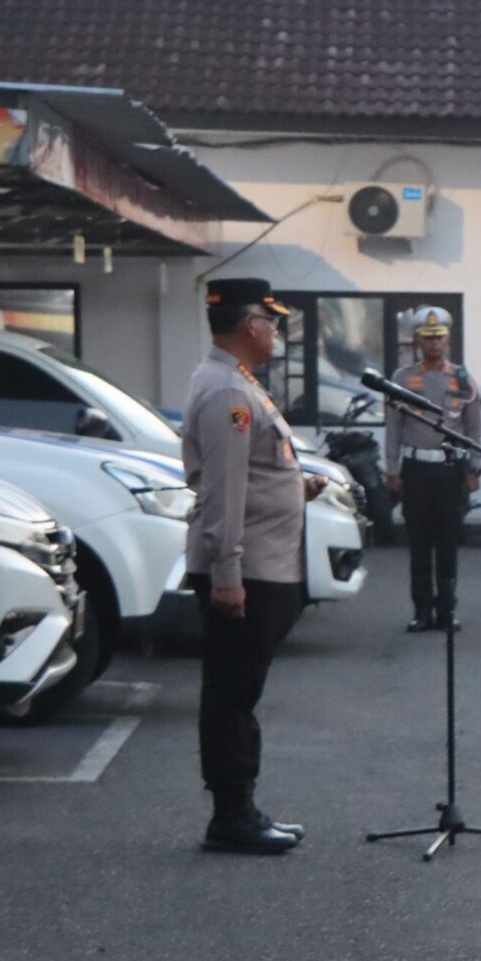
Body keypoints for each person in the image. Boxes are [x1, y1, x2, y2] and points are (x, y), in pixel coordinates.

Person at [184, 278, 321, 855]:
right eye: (272, 323)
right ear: (248, 326)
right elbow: (222, 491)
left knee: (239, 692)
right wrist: (227, 576)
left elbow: (255, 472)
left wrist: (296, 486)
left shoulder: (235, 383)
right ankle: (232, 815)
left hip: (268, 566)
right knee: (232, 698)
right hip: (250, 572)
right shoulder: (227, 393)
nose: (277, 333)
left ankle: (240, 807)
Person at [383, 306, 481, 634]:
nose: (433, 344)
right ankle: (421, 610)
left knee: (447, 544)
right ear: (417, 340)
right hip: (416, 471)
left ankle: (446, 610)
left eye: (439, 337)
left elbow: (473, 428)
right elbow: (394, 428)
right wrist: (393, 469)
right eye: (427, 338)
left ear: (448, 339)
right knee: (419, 544)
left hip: (449, 472)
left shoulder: (463, 379)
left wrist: (474, 468)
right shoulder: (402, 378)